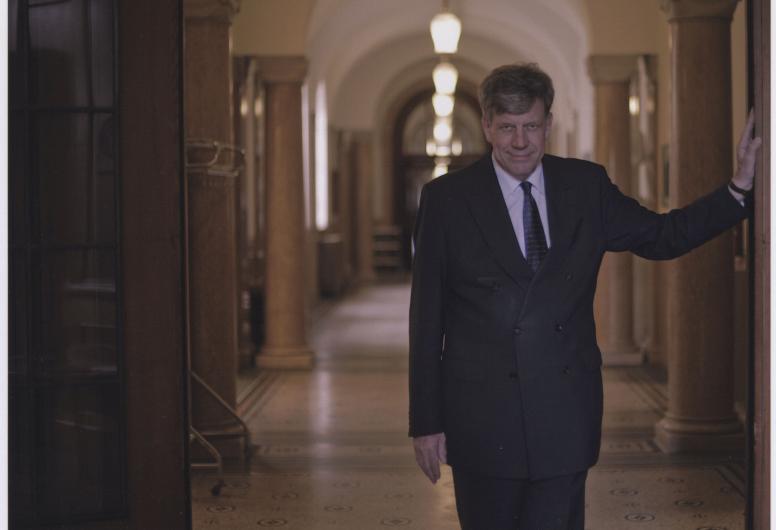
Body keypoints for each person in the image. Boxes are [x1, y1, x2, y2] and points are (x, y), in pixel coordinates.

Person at [408, 62, 760, 530]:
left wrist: (738, 188)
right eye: (508, 127)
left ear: (548, 123)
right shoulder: (447, 198)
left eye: (531, 126)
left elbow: (663, 235)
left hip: (563, 408)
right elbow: (426, 318)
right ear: (487, 125)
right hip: (482, 414)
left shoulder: (584, 186)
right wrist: (427, 421)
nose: (520, 141)